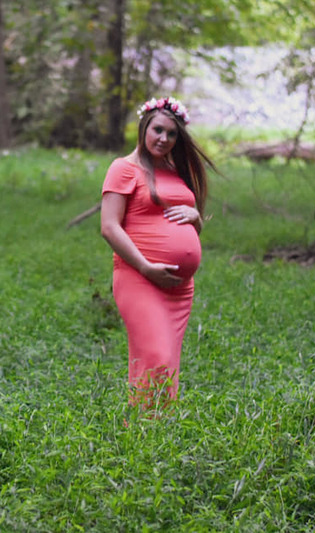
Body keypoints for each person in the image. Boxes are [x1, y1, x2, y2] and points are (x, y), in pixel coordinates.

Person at [100, 96, 214, 411]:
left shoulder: (175, 169)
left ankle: (155, 438)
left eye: (172, 134)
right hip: (139, 278)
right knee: (157, 357)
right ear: (143, 128)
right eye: (158, 130)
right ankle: (142, 434)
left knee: (166, 364)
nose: (164, 139)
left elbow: (185, 218)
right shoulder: (123, 169)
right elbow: (109, 227)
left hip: (179, 289)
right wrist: (147, 268)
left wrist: (196, 218)